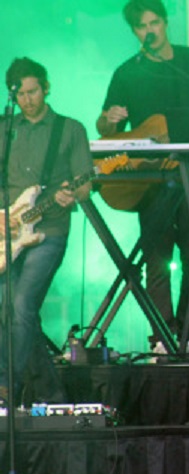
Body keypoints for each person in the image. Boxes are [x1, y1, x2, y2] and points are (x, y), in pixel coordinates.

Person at [97, 0, 189, 349]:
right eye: (141, 26)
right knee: (157, 261)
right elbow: (106, 128)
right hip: (151, 179)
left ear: (165, 23)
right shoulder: (127, 72)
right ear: (134, 31)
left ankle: (187, 336)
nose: (149, 31)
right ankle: (163, 339)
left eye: (154, 23)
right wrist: (109, 120)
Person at [0, 57, 93, 404]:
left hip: (49, 230)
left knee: (22, 303)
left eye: (33, 91)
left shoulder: (70, 129)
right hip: (7, 231)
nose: (27, 100)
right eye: (20, 94)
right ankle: (53, 394)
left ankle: (5, 385)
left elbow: (85, 183)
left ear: (46, 87)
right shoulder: (5, 129)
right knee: (8, 310)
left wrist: (72, 195)